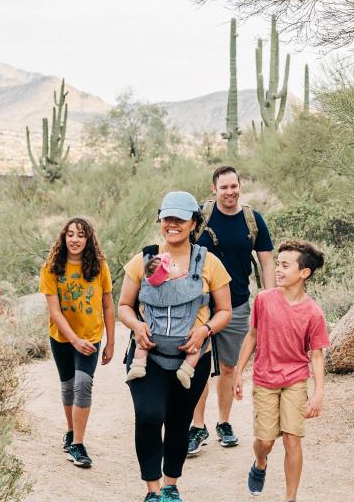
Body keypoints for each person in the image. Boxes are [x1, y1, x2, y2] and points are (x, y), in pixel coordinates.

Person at [119, 190, 233, 502]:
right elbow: (124, 306)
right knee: (149, 415)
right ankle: (152, 490)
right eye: (167, 218)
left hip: (192, 359)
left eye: (180, 219)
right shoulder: (142, 261)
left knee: (180, 422)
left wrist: (205, 331)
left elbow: (225, 311)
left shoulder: (209, 263)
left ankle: (170, 486)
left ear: (193, 222)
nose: (172, 224)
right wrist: (136, 325)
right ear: (160, 220)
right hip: (149, 356)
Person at [232, 240, 330, 502]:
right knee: (265, 441)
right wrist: (238, 372)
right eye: (278, 263)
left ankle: (290, 498)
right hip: (265, 378)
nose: (278, 269)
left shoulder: (314, 313)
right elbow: (252, 336)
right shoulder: (264, 299)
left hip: (295, 380)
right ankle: (260, 463)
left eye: (285, 265)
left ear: (304, 273)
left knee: (292, 439)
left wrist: (318, 392)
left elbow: (317, 355)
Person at [189, 165, 275, 453]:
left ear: (240, 186)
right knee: (199, 364)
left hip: (236, 303)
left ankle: (223, 423)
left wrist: (270, 296)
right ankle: (196, 427)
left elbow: (266, 262)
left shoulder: (252, 220)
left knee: (229, 367)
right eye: (223, 187)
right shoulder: (201, 217)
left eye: (234, 186)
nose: (230, 192)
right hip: (199, 304)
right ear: (214, 189)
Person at [38, 216, 116, 469]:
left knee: (83, 386)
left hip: (91, 337)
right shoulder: (51, 268)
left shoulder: (99, 266)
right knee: (68, 385)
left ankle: (78, 444)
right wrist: (73, 339)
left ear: (88, 239)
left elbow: (107, 304)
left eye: (81, 235)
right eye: (70, 234)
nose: (75, 239)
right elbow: (55, 311)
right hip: (62, 337)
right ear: (63, 237)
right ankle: (71, 431)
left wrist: (111, 342)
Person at [125, 251, 203, 388]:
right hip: (182, 338)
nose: (177, 265)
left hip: (154, 336)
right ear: (166, 278)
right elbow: (200, 298)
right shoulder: (185, 287)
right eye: (173, 265)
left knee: (142, 344)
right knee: (196, 349)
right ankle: (186, 370)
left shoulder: (150, 291)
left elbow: (140, 301)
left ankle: (138, 365)